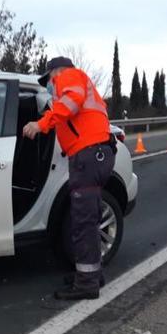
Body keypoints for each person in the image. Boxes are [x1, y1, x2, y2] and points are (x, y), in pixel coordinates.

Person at [22, 56, 115, 300]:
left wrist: (40, 124)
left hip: (88, 155)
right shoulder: (82, 84)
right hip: (96, 154)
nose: (51, 85)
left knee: (83, 222)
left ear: (57, 72)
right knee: (89, 220)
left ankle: (86, 284)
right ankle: (93, 275)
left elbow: (69, 105)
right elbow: (70, 110)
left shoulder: (70, 77)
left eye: (49, 79)